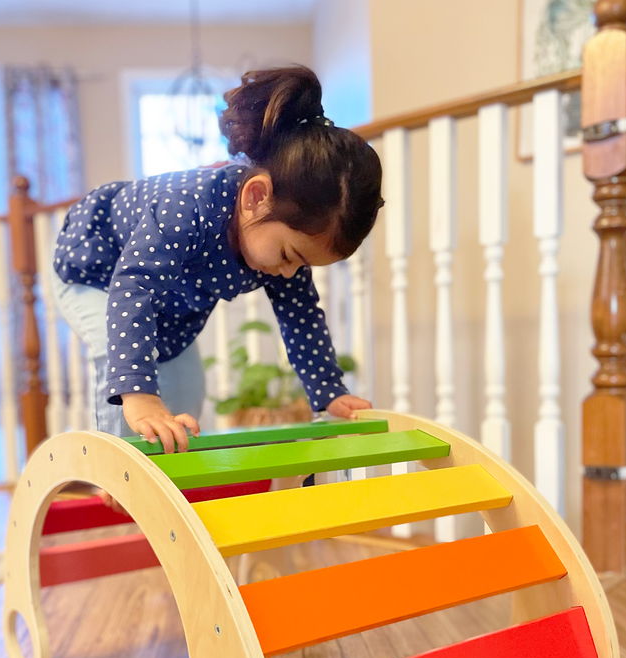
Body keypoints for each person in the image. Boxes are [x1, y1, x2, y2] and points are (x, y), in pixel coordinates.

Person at [52, 65, 384, 456]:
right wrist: (139, 395)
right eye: (288, 256)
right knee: (121, 356)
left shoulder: (280, 241)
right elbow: (132, 288)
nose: (291, 272)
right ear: (255, 198)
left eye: (303, 266)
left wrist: (329, 392)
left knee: (188, 386)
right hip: (97, 272)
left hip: (167, 302)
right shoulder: (186, 209)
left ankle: (170, 459)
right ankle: (116, 469)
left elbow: (302, 317)